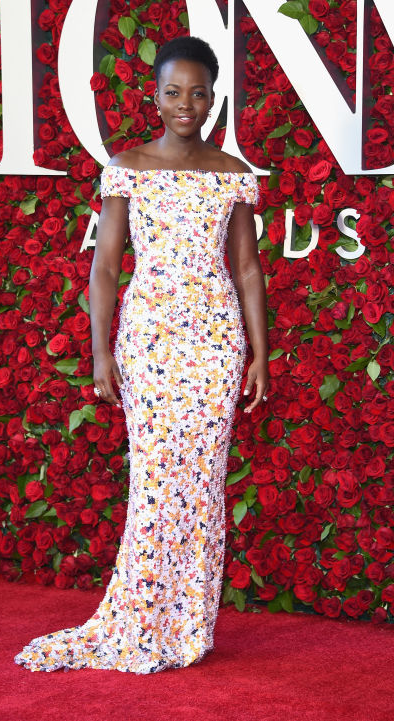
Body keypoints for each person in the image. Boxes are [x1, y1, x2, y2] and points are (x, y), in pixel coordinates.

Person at [14, 35, 269, 675]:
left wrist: (260, 355)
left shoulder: (233, 175)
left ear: (216, 98)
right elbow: (104, 269)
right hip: (150, 342)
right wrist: (100, 354)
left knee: (203, 487)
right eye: (174, 92)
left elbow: (246, 267)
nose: (188, 103)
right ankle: (139, 617)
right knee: (156, 486)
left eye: (200, 92)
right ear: (154, 97)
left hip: (215, 343)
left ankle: (187, 627)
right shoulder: (127, 166)